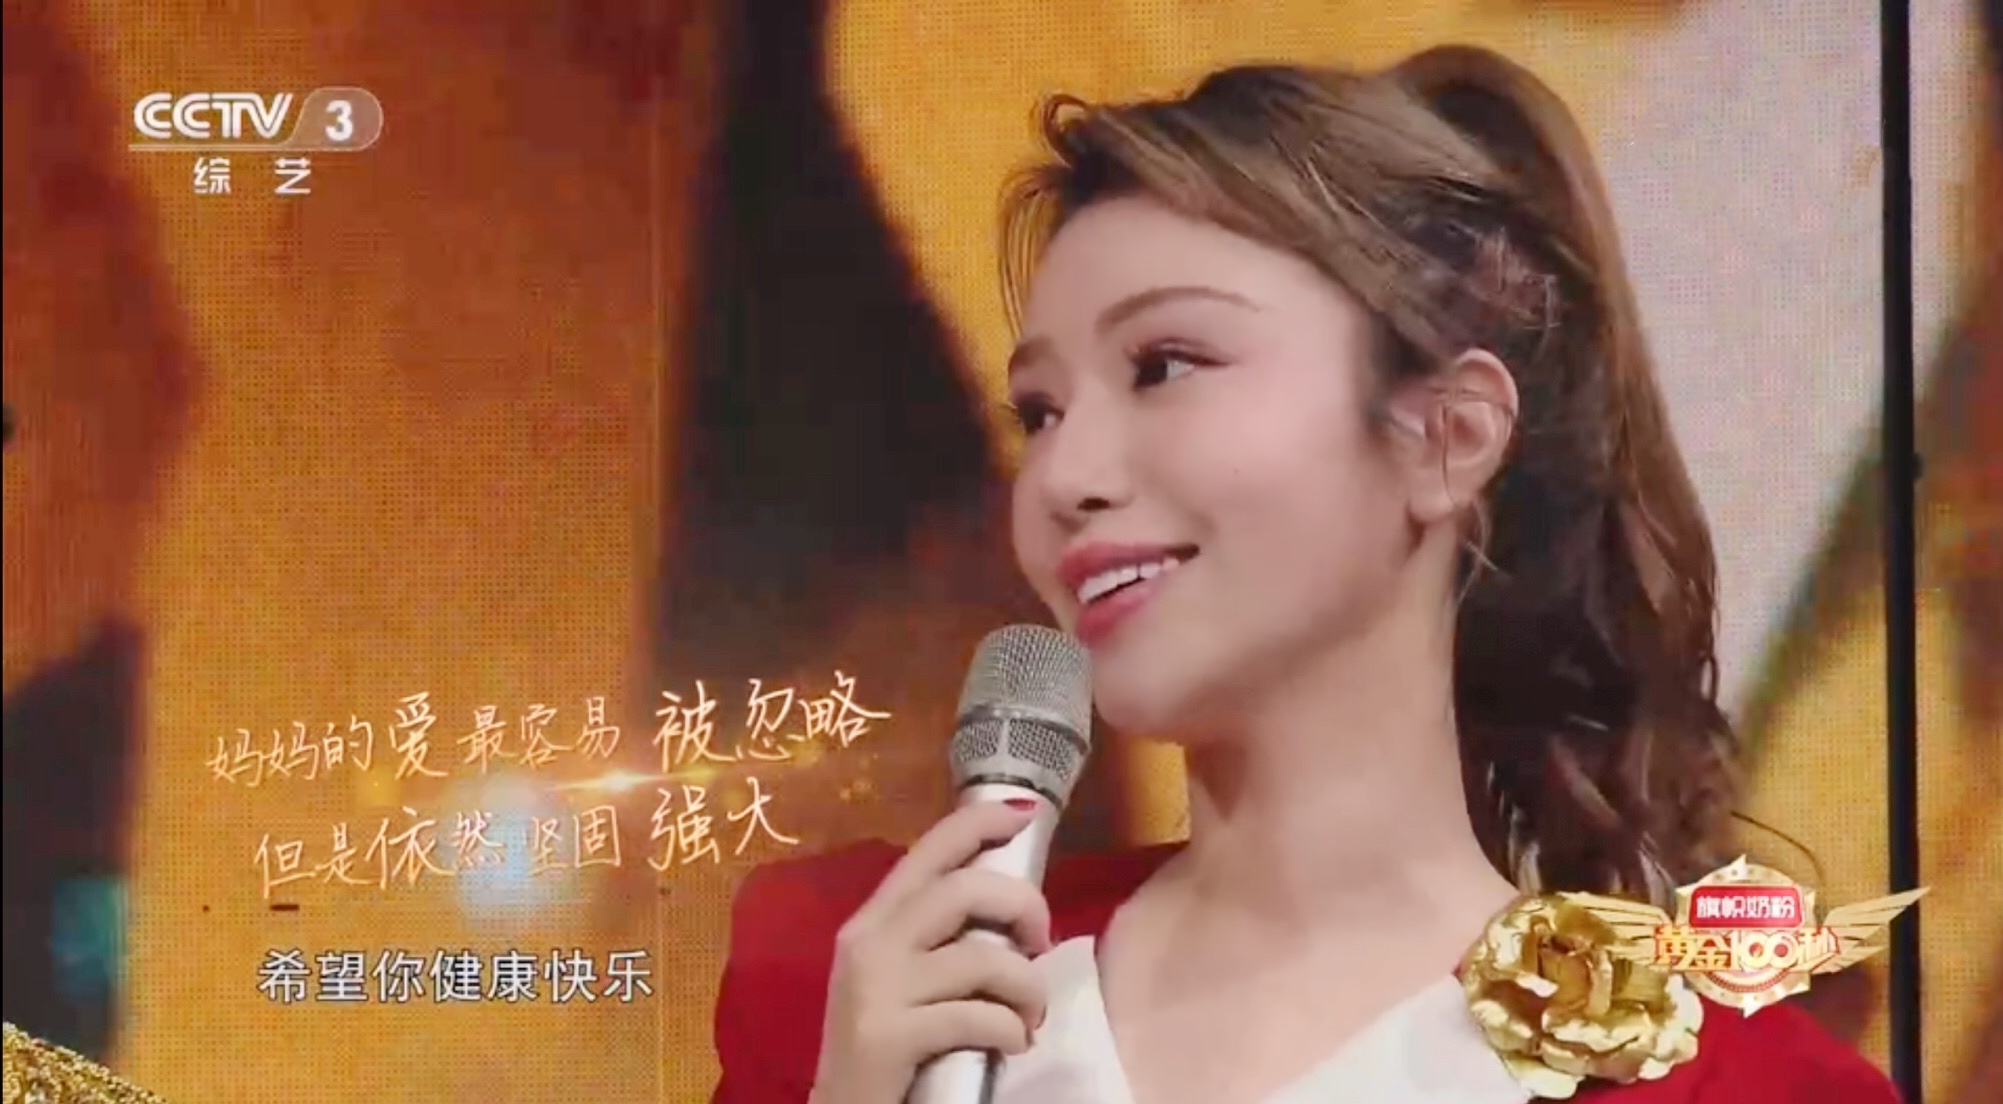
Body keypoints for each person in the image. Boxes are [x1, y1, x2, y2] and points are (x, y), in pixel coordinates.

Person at [710, 44, 1901, 1104]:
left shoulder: (1730, 1091)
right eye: (1040, 411)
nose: (1063, 475)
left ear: (1445, 436)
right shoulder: (871, 1005)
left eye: (1164, 365)